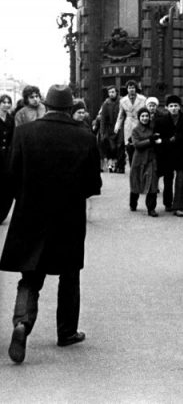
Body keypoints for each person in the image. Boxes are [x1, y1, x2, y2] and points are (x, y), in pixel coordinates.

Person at [1, 84, 102, 364]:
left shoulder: (24, 133)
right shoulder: (85, 136)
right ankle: (66, 332)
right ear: (71, 108)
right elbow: (94, 184)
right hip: (68, 217)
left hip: (30, 215)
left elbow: (10, 177)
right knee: (69, 274)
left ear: (45, 106)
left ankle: (22, 323)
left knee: (30, 276)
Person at [154, 94, 183, 217]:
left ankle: (178, 207)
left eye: (176, 106)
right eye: (171, 106)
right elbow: (158, 139)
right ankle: (168, 203)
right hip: (167, 154)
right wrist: (167, 142)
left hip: (181, 154)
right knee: (168, 180)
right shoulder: (161, 121)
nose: (174, 108)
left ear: (180, 107)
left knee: (180, 180)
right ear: (166, 107)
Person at [129, 108, 161, 217]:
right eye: (142, 116)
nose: (145, 118)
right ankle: (133, 203)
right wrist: (151, 140)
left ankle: (151, 208)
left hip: (151, 160)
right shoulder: (135, 130)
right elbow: (137, 144)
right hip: (139, 160)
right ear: (139, 118)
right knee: (136, 183)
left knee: (152, 185)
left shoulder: (153, 129)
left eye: (146, 116)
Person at [114, 80, 147, 169]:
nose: (131, 89)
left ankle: (140, 165)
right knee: (129, 146)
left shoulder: (143, 99)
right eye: (129, 88)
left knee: (140, 144)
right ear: (127, 89)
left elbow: (146, 111)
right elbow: (120, 115)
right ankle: (132, 165)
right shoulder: (123, 100)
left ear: (136, 88)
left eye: (133, 88)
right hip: (128, 124)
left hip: (139, 122)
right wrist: (117, 126)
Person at [96, 86, 121, 172]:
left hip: (119, 128)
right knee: (110, 148)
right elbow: (102, 119)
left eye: (113, 92)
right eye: (110, 92)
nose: (111, 94)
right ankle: (111, 165)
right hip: (109, 129)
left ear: (116, 92)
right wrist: (102, 132)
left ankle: (119, 165)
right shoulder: (106, 103)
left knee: (119, 147)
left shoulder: (121, 102)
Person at [0, 94, 15, 223]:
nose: (6, 105)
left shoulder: (11, 119)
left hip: (7, 157)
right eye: (3, 102)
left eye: (8, 102)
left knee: (6, 186)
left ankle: (2, 213)